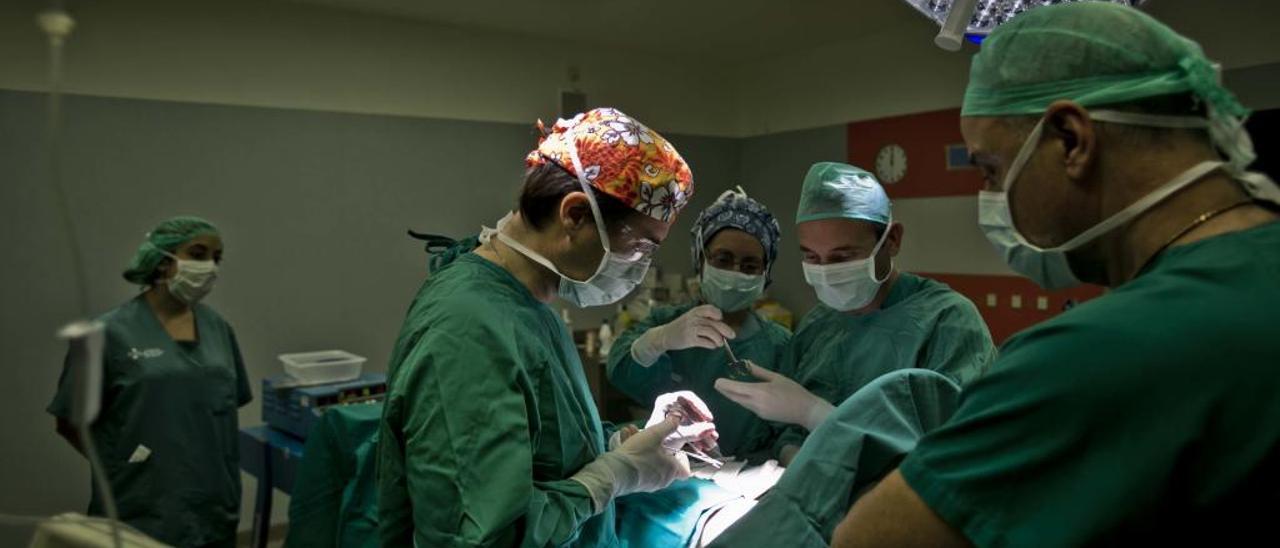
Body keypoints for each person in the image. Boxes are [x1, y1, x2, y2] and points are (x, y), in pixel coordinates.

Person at [833, 4, 1280, 546]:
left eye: (990, 169)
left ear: (1071, 139)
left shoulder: (1101, 355)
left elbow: (870, 540)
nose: (991, 198)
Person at [377, 108, 715, 547]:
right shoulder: (467, 328)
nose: (641, 265)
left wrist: (622, 444)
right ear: (574, 214)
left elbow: (539, 449)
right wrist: (614, 476)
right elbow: (480, 535)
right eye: (639, 246)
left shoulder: (529, 304)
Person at [717, 162, 995, 464]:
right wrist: (794, 459)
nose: (826, 272)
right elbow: (789, 431)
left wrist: (815, 413)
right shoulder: (817, 325)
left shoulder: (948, 322)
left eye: (843, 256)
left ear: (892, 240)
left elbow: (953, 453)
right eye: (812, 256)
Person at [47, 216, 252, 548]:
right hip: (140, 505)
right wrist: (123, 468)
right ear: (161, 260)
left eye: (216, 258)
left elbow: (224, 407)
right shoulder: (107, 334)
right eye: (197, 254)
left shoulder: (218, 329)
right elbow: (69, 421)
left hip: (213, 501)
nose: (209, 267)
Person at [608, 187, 789, 456]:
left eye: (750, 265)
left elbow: (787, 426)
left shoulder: (781, 345)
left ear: (765, 275)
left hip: (747, 476)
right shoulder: (666, 322)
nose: (735, 272)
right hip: (669, 461)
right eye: (723, 259)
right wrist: (658, 340)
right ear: (700, 260)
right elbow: (620, 374)